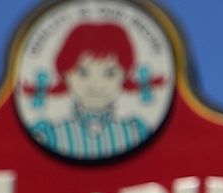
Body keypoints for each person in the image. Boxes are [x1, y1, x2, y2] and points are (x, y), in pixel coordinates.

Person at [21, 22, 162, 159]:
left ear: (125, 75)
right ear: (65, 74)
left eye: (110, 74)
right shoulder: (47, 135)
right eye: (82, 73)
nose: (96, 86)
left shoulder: (137, 132)